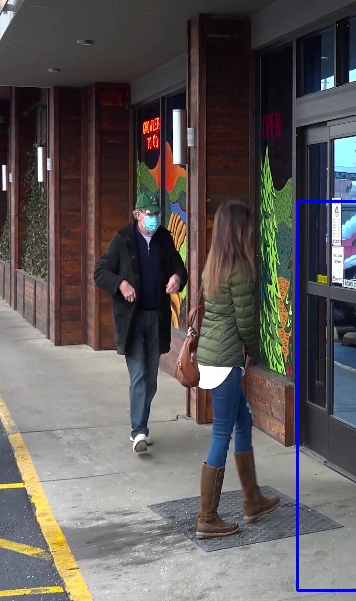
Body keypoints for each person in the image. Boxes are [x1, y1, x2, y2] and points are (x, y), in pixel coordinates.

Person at [194, 200, 279, 539]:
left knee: (242, 421)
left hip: (210, 355)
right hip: (226, 358)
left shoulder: (213, 265)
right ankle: (207, 517)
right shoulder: (240, 268)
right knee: (222, 432)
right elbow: (245, 322)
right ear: (239, 230)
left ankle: (252, 499)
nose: (253, 230)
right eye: (249, 225)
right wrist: (255, 352)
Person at [94, 192, 187, 454]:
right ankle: (138, 431)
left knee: (151, 380)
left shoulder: (164, 239)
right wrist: (121, 284)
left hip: (156, 317)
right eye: (149, 214)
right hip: (132, 320)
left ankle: (141, 424)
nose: (154, 218)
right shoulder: (122, 239)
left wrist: (177, 279)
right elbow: (99, 272)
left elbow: (180, 268)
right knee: (138, 375)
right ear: (137, 215)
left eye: (157, 214)